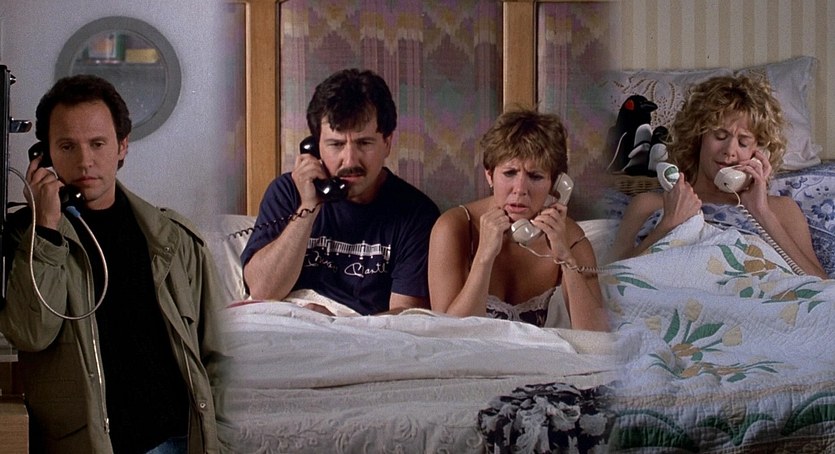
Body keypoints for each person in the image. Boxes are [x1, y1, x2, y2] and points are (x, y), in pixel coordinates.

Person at [0, 75, 221, 452]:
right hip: (88, 443)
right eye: (67, 146)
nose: (84, 161)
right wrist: (46, 229)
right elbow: (31, 333)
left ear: (122, 147)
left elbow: (215, 354)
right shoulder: (25, 237)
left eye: (97, 144)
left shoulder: (172, 238)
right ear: (44, 155)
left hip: (176, 438)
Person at [241, 68, 440, 316]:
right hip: (283, 323)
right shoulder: (286, 192)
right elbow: (262, 291)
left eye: (364, 143)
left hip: (359, 331)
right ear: (315, 147)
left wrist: (333, 325)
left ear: (387, 143)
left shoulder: (417, 214)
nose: (350, 160)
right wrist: (308, 207)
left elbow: (406, 316)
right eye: (336, 144)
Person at [611, 75, 827, 278]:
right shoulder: (649, 203)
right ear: (698, 137)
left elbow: (821, 285)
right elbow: (611, 277)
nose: (730, 150)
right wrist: (668, 223)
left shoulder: (782, 210)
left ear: (759, 153)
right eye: (720, 136)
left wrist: (762, 214)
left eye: (743, 142)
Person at [428, 109, 609, 331]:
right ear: (489, 175)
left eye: (535, 176)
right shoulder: (453, 228)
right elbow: (448, 333)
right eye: (509, 173)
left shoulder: (569, 236)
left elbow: (595, 336)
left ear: (555, 184)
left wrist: (565, 258)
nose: (520, 189)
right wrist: (483, 258)